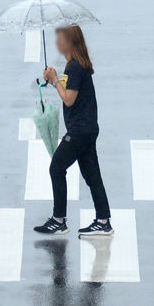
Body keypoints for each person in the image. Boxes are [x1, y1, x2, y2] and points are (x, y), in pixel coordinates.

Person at [34, 25, 112, 236]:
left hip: (80, 131)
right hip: (87, 128)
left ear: (70, 42)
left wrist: (54, 80)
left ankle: (59, 220)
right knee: (91, 175)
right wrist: (56, 79)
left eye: (61, 39)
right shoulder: (75, 65)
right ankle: (103, 221)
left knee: (56, 168)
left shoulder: (76, 67)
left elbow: (69, 100)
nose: (57, 43)